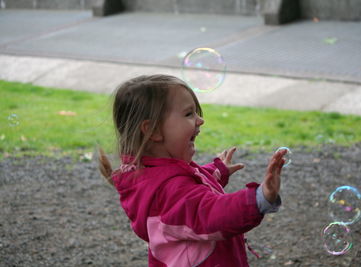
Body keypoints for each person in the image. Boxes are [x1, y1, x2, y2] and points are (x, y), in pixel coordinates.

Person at [99, 74, 286, 267]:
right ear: (153, 130)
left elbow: (191, 189)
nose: (200, 120)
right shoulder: (168, 190)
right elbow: (211, 214)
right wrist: (259, 197)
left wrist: (217, 171)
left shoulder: (155, 176)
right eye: (189, 114)